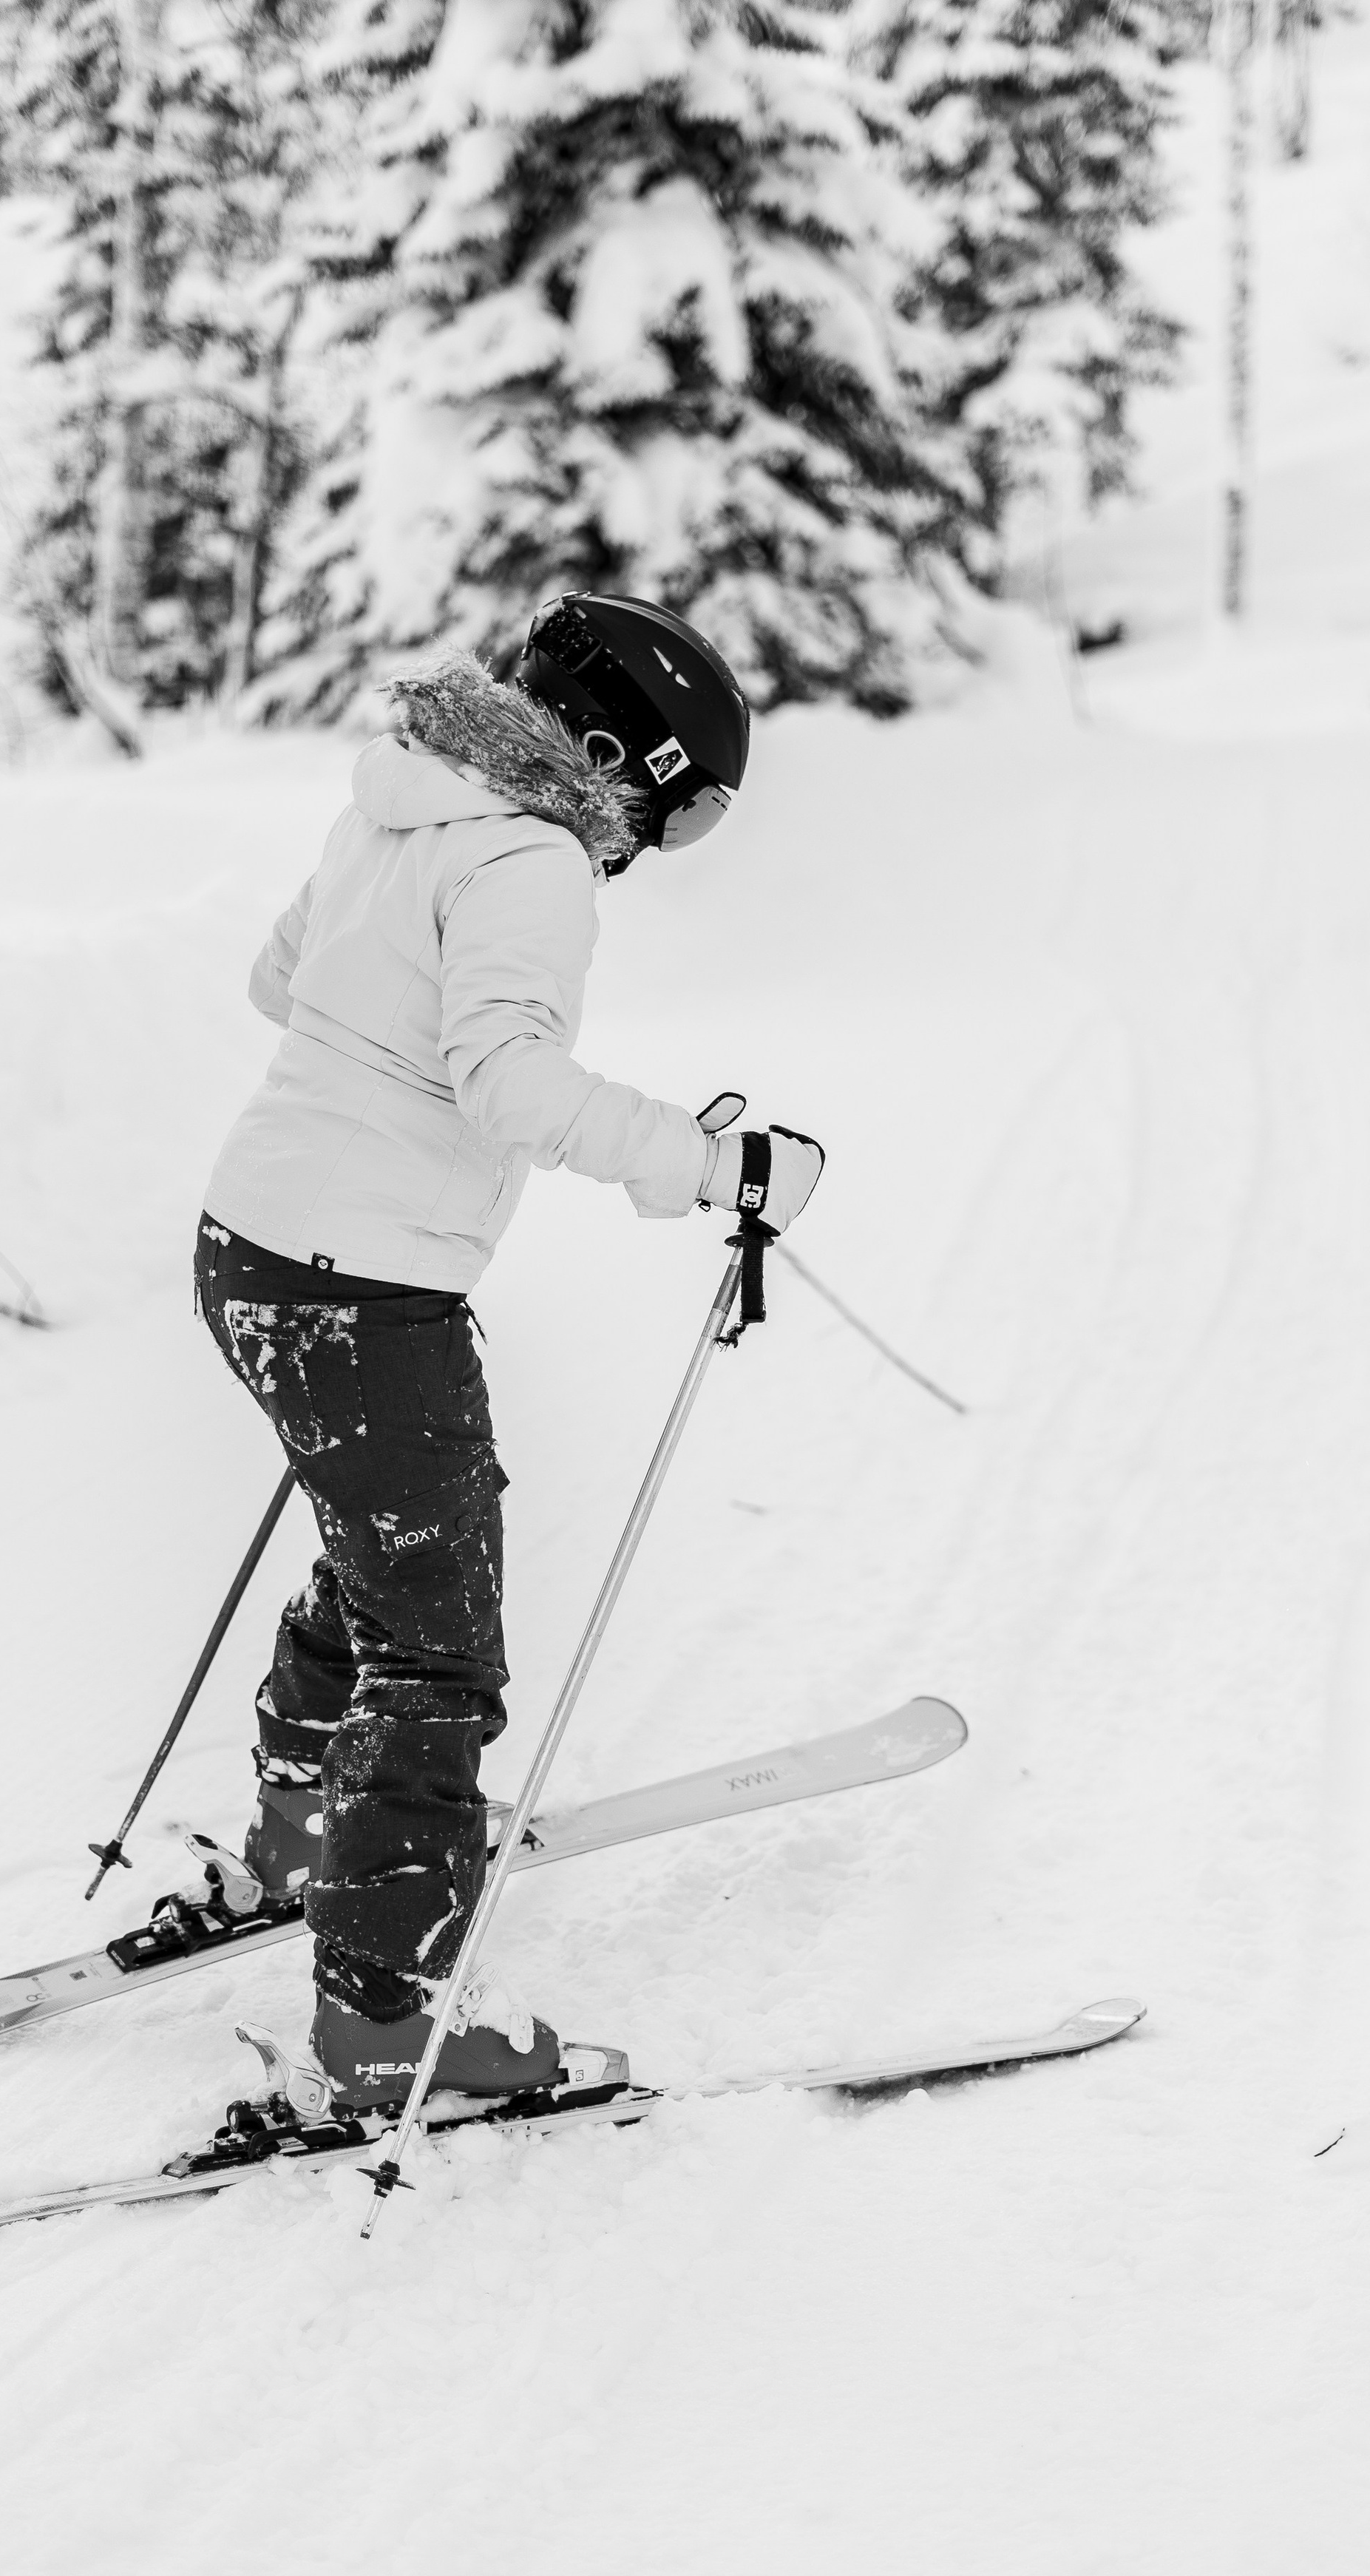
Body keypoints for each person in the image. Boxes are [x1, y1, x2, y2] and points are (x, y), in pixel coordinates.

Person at [194, 594, 824, 2112]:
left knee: (393, 1543)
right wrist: (703, 1162)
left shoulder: (406, 798)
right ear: (613, 753)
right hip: (362, 1284)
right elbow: (508, 1085)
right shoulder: (530, 852)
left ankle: (295, 1834)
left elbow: (281, 982)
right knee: (436, 1649)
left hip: (248, 1250)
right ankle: (382, 2030)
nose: (643, 849)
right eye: (666, 815)